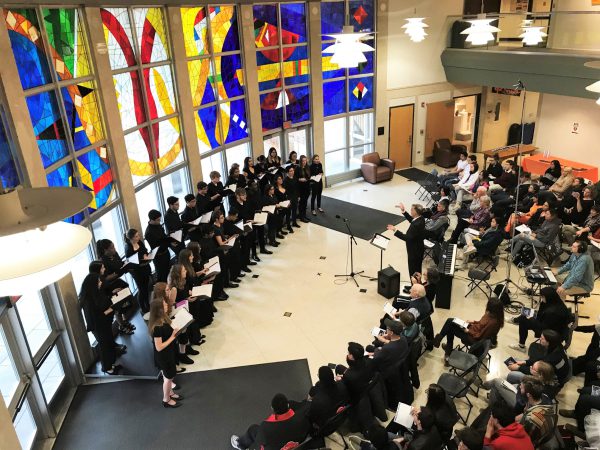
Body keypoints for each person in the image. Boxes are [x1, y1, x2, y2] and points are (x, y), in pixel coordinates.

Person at [79, 264, 120, 375]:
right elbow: (100, 311)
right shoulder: (89, 301)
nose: (101, 283)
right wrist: (110, 308)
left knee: (108, 343)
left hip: (103, 323)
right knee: (104, 346)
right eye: (98, 282)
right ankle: (107, 367)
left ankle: (110, 364)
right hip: (99, 325)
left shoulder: (93, 295)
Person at [431, 296, 504, 359]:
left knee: (450, 327)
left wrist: (468, 331)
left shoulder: (493, 323)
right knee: (450, 320)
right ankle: (443, 345)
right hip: (472, 329)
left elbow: (480, 336)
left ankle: (447, 350)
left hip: (473, 338)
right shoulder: (491, 314)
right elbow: (482, 323)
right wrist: (474, 321)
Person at [230, 393, 310, 450]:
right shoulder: (302, 418)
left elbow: (260, 441)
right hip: (294, 444)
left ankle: (240, 444)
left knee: (253, 429)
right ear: (288, 405)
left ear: (272, 408)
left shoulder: (267, 427)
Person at [509, 286, 572, 352]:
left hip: (551, 332)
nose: (541, 298)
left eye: (543, 297)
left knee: (523, 319)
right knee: (527, 313)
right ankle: (515, 320)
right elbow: (541, 313)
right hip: (547, 322)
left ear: (548, 297)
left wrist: (531, 319)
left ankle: (521, 346)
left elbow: (543, 326)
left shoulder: (552, 312)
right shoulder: (555, 301)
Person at [148, 293, 182, 408]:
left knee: (169, 376)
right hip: (163, 355)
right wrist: (172, 337)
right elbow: (159, 347)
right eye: (164, 305)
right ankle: (166, 399)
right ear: (159, 310)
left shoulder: (165, 318)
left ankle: (170, 393)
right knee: (168, 378)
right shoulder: (157, 327)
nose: (167, 305)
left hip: (169, 352)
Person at [387, 203, 426, 277]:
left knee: (413, 271)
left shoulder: (416, 225)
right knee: (417, 270)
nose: (410, 210)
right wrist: (403, 211)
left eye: (412, 209)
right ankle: (414, 285)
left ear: (416, 212)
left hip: (414, 251)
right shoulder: (420, 218)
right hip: (418, 248)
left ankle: (414, 286)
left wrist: (395, 230)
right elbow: (412, 220)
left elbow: (407, 238)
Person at [517, 378, 555, 447]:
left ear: (528, 395)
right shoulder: (544, 397)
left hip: (531, 442)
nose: (519, 386)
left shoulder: (531, 419)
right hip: (541, 427)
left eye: (521, 387)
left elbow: (524, 437)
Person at [124, 228, 152, 316]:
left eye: (138, 235)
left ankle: (148, 304)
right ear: (131, 238)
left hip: (145, 267)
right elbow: (131, 261)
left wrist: (146, 256)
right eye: (136, 236)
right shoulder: (128, 247)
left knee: (146, 287)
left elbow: (145, 251)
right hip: (137, 271)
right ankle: (143, 308)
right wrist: (141, 259)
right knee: (141, 289)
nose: (138, 237)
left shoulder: (139, 242)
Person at [145, 209, 176, 283]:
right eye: (158, 220)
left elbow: (164, 236)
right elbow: (157, 246)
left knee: (169, 273)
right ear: (152, 220)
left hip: (166, 252)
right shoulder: (148, 233)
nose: (160, 222)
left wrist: (170, 242)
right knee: (162, 276)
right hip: (159, 257)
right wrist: (168, 242)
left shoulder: (158, 225)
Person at [297, 155, 311, 223]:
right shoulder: (298, 168)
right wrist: (299, 179)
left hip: (307, 187)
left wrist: (307, 179)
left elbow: (309, 176)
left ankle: (304, 215)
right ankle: (301, 216)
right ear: (300, 161)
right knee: (301, 202)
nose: (304, 162)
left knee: (305, 202)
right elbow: (295, 178)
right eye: (303, 161)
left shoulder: (307, 167)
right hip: (300, 188)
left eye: (305, 160)